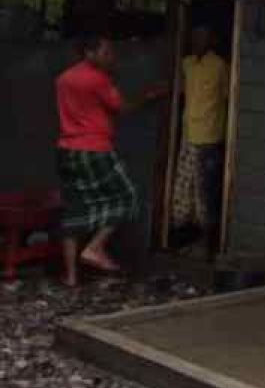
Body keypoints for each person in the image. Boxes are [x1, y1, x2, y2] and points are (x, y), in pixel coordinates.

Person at [56, 35, 166, 287]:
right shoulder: (98, 79)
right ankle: (95, 247)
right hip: (94, 150)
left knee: (74, 209)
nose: (111, 58)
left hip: (66, 150)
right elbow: (122, 107)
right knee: (128, 197)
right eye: (106, 53)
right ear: (89, 53)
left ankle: (71, 276)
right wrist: (149, 95)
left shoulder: (63, 78)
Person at [171, 24, 229, 257]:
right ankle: (189, 241)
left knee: (205, 192)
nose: (197, 41)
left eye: (202, 37)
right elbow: (181, 92)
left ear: (211, 40)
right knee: (185, 191)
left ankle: (206, 245)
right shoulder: (186, 64)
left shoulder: (220, 66)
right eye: (194, 36)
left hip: (209, 137)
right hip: (188, 134)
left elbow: (228, 97)